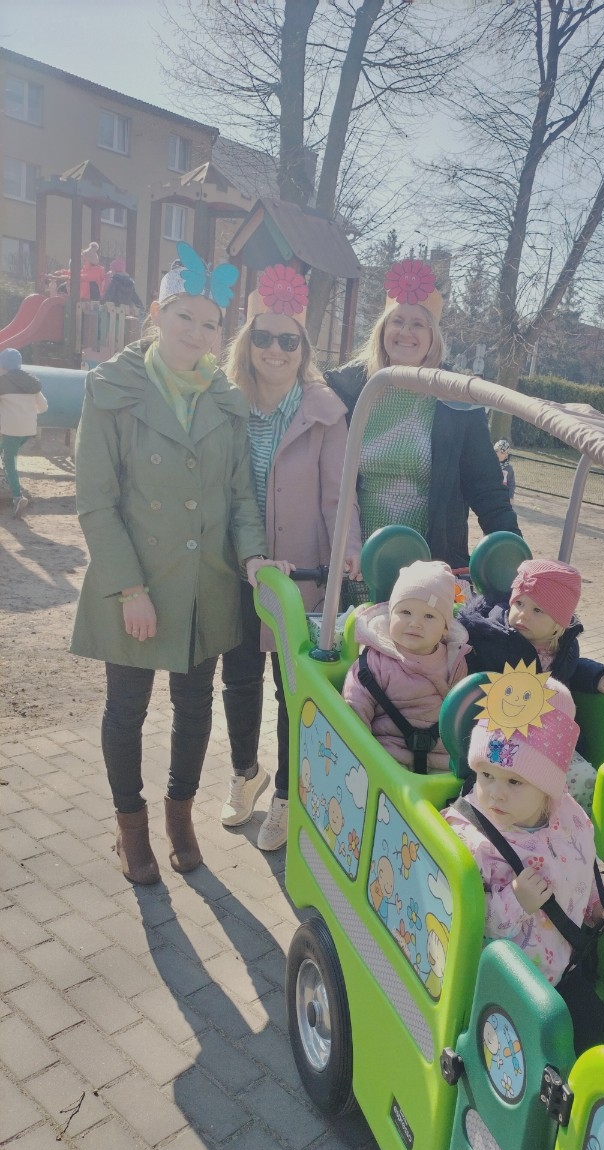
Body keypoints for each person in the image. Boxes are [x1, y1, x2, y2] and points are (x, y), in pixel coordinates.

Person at [71, 243, 285, 886]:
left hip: (204, 584)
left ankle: (180, 816)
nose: (197, 331)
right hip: (137, 583)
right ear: (158, 315)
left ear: (221, 333)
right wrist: (128, 588)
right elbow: (96, 501)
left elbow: (241, 496)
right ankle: (130, 826)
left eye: (210, 322)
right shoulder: (112, 390)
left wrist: (252, 556)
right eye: (184, 316)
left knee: (194, 707)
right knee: (127, 710)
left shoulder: (225, 401)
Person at [220, 264, 363, 851]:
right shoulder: (226, 402)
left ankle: (285, 795)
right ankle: (244, 772)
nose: (275, 350)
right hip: (237, 564)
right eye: (263, 336)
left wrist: (347, 551)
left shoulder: (324, 410)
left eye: (288, 339)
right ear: (247, 340)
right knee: (238, 678)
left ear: (303, 348)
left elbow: (338, 493)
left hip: (298, 570)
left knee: (289, 685)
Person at [443, 667, 604, 1054]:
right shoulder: (471, 839)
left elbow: (585, 865)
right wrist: (515, 901)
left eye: (514, 781)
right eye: (486, 775)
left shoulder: (567, 816)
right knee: (548, 1067)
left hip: (564, 971)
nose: (495, 793)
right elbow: (463, 924)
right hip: (505, 990)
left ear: (548, 787)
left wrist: (602, 902)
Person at [324, 258, 520, 568]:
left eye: (418, 324)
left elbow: (486, 488)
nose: (405, 331)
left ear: (432, 337)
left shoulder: (456, 398)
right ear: (383, 329)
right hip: (358, 563)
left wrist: (514, 557)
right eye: (397, 321)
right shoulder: (350, 389)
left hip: (430, 566)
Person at [460, 558, 604, 809]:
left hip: (547, 737)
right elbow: (472, 680)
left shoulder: (563, 647)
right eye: (519, 603)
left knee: (587, 779)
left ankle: (569, 824)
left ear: (559, 623)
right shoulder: (494, 640)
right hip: (502, 736)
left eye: (538, 610)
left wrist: (596, 675)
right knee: (522, 787)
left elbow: (571, 669)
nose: (523, 614)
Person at [342, 559, 469, 773]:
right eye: (405, 612)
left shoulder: (455, 660)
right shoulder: (373, 663)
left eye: (429, 616)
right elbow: (355, 710)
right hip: (388, 762)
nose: (415, 623)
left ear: (445, 628)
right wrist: (360, 760)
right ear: (390, 615)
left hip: (442, 765)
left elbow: (461, 714)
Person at [0, 348, 47, 518]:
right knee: (5, 451)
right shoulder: (31, 382)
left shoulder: (2, 382)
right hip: (28, 430)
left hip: (11, 429)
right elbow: (44, 406)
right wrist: (27, 412)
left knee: (9, 461)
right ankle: (6, 477)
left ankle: (17, 497)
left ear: (3, 366)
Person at [494, 438, 516, 503]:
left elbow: (511, 484)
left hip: (502, 497)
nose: (498, 454)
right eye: (496, 451)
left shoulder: (509, 468)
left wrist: (510, 496)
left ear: (506, 454)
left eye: (502, 452)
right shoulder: (490, 464)